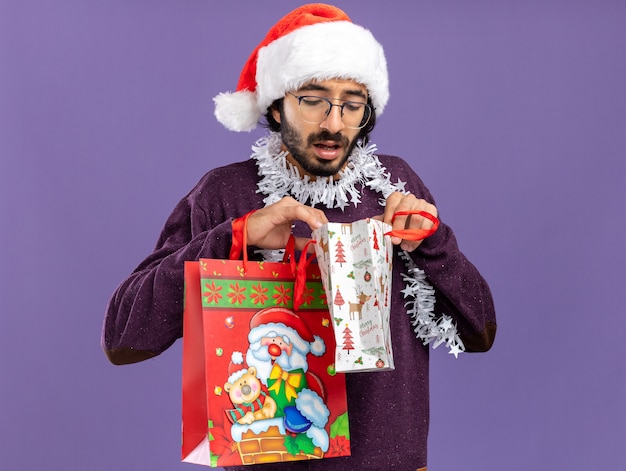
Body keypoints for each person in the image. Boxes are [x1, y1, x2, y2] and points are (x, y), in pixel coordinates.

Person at [102, 3, 497, 470]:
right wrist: (234, 237)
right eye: (312, 100)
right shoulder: (225, 192)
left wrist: (432, 244)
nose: (333, 123)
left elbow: (480, 333)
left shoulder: (395, 184)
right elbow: (125, 339)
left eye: (352, 104)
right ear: (275, 104)